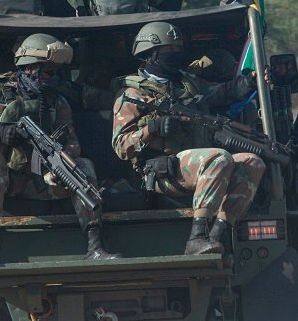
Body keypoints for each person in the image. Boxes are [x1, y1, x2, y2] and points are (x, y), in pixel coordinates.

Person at [0, 33, 120, 271]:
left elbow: (72, 142)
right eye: (49, 72)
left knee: (83, 167)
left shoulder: (58, 102)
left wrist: (61, 162)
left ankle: (95, 246)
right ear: (29, 69)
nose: (54, 78)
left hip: (42, 181)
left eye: (57, 72)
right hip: (5, 182)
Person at [111, 22, 267, 255]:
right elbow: (121, 146)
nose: (174, 55)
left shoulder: (187, 84)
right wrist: (152, 129)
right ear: (150, 55)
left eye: (176, 50)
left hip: (200, 166)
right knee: (219, 157)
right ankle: (197, 237)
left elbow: (221, 93)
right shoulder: (132, 94)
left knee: (253, 162)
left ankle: (215, 235)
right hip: (160, 173)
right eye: (168, 51)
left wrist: (250, 81)